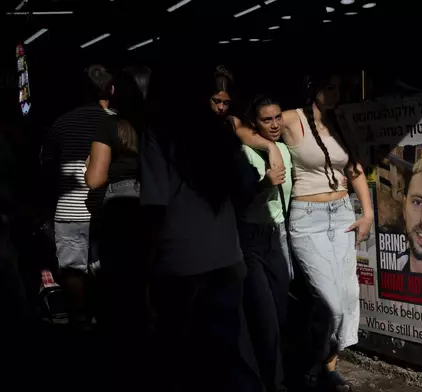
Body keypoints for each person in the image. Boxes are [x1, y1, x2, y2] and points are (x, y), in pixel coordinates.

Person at [237, 72, 373, 391]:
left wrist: (366, 212)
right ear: (313, 90)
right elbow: (238, 125)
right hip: (307, 217)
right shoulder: (289, 118)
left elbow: (354, 168)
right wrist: (270, 148)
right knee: (328, 302)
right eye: (329, 87)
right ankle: (309, 363)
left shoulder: (340, 121)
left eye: (339, 87)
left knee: (349, 299)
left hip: (342, 214)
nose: (336, 93)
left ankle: (326, 366)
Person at [140, 65, 263, 391]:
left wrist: (147, 270)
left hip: (178, 265)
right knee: (230, 356)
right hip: (226, 258)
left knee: (184, 361)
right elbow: (243, 188)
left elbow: (155, 206)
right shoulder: (219, 131)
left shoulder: (158, 135)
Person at [84, 66, 150, 386]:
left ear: (116, 93)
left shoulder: (109, 126)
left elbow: (95, 178)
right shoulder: (156, 126)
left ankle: (123, 364)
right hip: (154, 207)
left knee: (122, 290)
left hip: (120, 210)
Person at [41, 64, 115, 328]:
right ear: (112, 89)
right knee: (105, 267)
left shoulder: (61, 123)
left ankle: (81, 321)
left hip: (68, 211)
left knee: (73, 270)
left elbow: (47, 167)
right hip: (108, 209)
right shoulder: (119, 121)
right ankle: (104, 318)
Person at [237, 95, 292, 392]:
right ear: (254, 124)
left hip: (278, 235)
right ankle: (274, 383)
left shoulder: (284, 148)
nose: (274, 124)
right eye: (266, 119)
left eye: (277, 117)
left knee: (280, 313)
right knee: (265, 317)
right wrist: (263, 185)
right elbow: (238, 202)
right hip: (250, 239)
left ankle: (271, 372)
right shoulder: (243, 152)